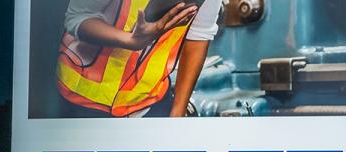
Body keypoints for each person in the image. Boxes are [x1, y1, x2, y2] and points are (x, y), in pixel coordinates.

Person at [58, 0, 223, 118]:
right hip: (80, 99)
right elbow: (78, 17)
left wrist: (177, 113)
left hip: (149, 102)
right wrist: (130, 40)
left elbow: (199, 35)